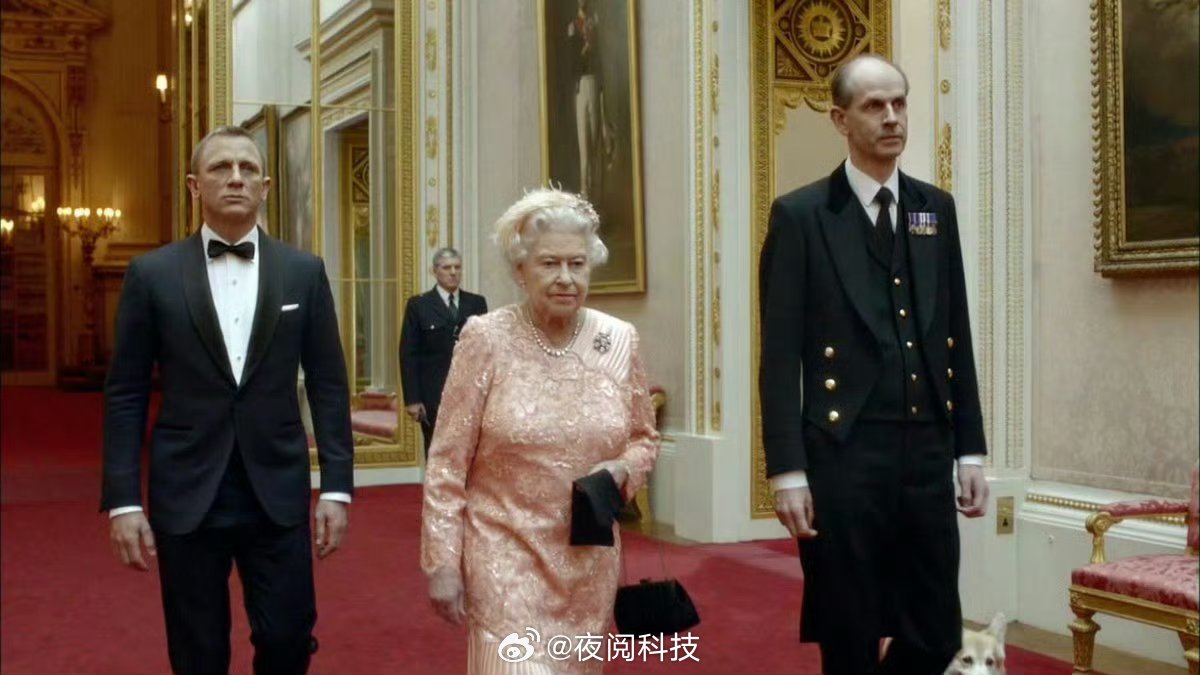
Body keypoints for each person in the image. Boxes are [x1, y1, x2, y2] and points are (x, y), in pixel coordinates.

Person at [758, 55, 990, 675]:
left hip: (927, 448)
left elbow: (955, 334)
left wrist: (970, 449)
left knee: (935, 631)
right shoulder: (802, 215)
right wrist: (786, 471)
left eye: (899, 103)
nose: (891, 118)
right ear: (840, 119)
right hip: (843, 452)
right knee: (850, 632)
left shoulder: (934, 208)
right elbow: (778, 357)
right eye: (873, 106)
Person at [101, 126, 354, 675]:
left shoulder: (303, 272)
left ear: (265, 186)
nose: (235, 177)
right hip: (187, 489)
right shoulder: (151, 274)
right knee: (198, 651)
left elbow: (329, 385)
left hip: (276, 489)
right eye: (220, 167)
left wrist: (337, 486)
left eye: (247, 168)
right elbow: (125, 393)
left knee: (288, 638)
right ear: (195, 186)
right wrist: (123, 500)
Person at [421, 188, 660, 673]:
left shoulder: (618, 340)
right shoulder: (485, 338)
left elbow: (644, 438)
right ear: (520, 269)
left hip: (587, 563)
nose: (565, 278)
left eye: (577, 264)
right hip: (503, 555)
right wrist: (443, 560)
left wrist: (622, 469)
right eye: (550, 263)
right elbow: (447, 461)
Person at [400, 247, 488, 453]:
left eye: (457, 267)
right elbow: (408, 354)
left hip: (470, 393)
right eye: (447, 268)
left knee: (471, 452)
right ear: (434, 271)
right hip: (433, 394)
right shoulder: (419, 305)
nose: (453, 272)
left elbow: (486, 351)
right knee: (437, 450)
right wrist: (413, 399)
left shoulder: (476, 302)